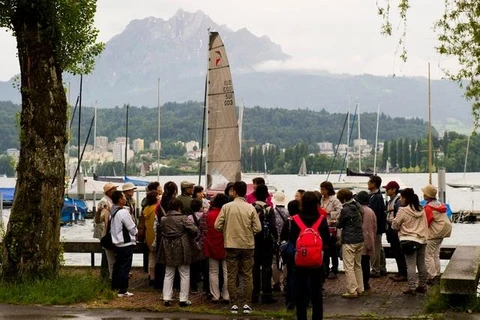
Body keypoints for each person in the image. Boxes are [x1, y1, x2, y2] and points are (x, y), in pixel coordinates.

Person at [214, 181, 262, 314]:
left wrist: (226, 230)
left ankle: (234, 303)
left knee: (231, 274)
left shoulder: (227, 207)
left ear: (234, 192)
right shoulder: (250, 207)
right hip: (247, 244)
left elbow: (217, 225)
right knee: (247, 275)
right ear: (245, 192)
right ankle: (247, 303)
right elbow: (258, 228)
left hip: (231, 244)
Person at [282, 191, 330, 320]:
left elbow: (292, 239)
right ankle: (317, 317)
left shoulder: (296, 219)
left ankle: (301, 316)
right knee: (316, 292)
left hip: (300, 259)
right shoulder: (321, 219)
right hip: (316, 260)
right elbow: (326, 240)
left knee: (300, 290)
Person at [159, 199, 198, 307]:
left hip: (168, 247)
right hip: (182, 247)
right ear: (179, 207)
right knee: (184, 273)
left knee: (168, 273)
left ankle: (166, 297)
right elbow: (194, 229)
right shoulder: (183, 218)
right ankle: (183, 299)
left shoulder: (163, 219)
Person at [392, 188, 428, 295]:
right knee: (421, 263)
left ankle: (412, 287)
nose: (400, 199)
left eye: (401, 197)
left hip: (408, 240)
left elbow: (395, 225)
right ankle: (422, 285)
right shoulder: (421, 210)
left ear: (405, 198)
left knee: (411, 265)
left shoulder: (403, 210)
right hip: (422, 239)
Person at [336, 188, 364, 299]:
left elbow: (340, 224)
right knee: (357, 265)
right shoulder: (358, 206)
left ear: (343, 199)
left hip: (349, 240)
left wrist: (337, 221)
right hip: (360, 238)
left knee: (349, 266)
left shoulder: (345, 210)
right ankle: (360, 288)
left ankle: (352, 290)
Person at [252, 184, 278, 304]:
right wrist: (276, 238)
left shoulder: (251, 207)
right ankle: (267, 294)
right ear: (266, 195)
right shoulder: (268, 209)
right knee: (267, 267)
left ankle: (255, 293)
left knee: (255, 267)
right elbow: (273, 226)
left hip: (254, 240)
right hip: (266, 240)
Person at [421, 184, 452, 284]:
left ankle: (432, 276)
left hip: (433, 234)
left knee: (428, 255)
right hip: (441, 233)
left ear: (427, 195)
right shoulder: (440, 204)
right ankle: (437, 273)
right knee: (436, 254)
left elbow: (428, 221)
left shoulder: (428, 207)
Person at [110, 190, 138, 297]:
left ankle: (115, 286)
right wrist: (136, 232)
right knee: (125, 267)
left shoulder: (113, 211)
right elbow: (131, 227)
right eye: (123, 197)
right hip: (125, 243)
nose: (125, 199)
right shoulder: (123, 212)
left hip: (117, 242)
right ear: (120, 200)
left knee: (117, 265)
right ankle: (123, 290)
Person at [204, 193, 231, 303]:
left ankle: (215, 295)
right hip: (226, 243)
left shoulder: (208, 214)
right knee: (227, 272)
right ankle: (226, 295)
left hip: (211, 243)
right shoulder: (227, 214)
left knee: (213, 272)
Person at [384, 180, 408, 282]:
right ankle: (400, 271)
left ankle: (403, 273)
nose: (386, 191)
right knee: (395, 251)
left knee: (398, 252)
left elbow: (399, 217)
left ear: (394, 190)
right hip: (391, 229)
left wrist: (391, 223)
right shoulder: (391, 201)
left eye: (388, 189)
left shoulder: (397, 202)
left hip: (395, 230)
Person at [354, 191, 376, 292]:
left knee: (359, 262)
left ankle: (360, 282)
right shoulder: (371, 211)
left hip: (359, 238)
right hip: (369, 238)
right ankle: (366, 282)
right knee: (366, 261)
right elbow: (374, 226)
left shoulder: (357, 210)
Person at [319, 181, 342, 280]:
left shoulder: (335, 200)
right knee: (325, 249)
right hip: (323, 226)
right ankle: (325, 268)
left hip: (332, 226)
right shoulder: (321, 199)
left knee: (333, 249)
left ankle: (334, 269)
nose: (321, 191)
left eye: (323, 189)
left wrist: (329, 213)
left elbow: (340, 211)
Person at [95, 182, 118, 280]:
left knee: (109, 255)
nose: (115, 191)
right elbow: (102, 219)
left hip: (109, 231)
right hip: (106, 231)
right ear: (109, 192)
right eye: (114, 189)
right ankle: (106, 274)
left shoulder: (111, 200)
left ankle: (109, 274)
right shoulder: (104, 201)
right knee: (107, 254)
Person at [367, 175, 387, 278]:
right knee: (379, 247)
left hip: (375, 227)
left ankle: (375, 269)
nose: (368, 184)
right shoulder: (376, 196)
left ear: (374, 184)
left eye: (369, 182)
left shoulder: (376, 198)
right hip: (378, 227)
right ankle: (382, 267)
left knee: (375, 248)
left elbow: (374, 214)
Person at [271, 191, 290, 292]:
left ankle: (276, 283)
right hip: (285, 240)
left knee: (275, 261)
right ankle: (286, 282)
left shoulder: (272, 212)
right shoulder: (287, 212)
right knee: (286, 262)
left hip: (275, 240)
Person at [142, 190, 159, 286]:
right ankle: (155, 276)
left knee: (151, 255)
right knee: (156, 256)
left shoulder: (146, 209)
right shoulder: (156, 208)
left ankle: (151, 275)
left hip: (148, 234)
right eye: (158, 196)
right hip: (155, 234)